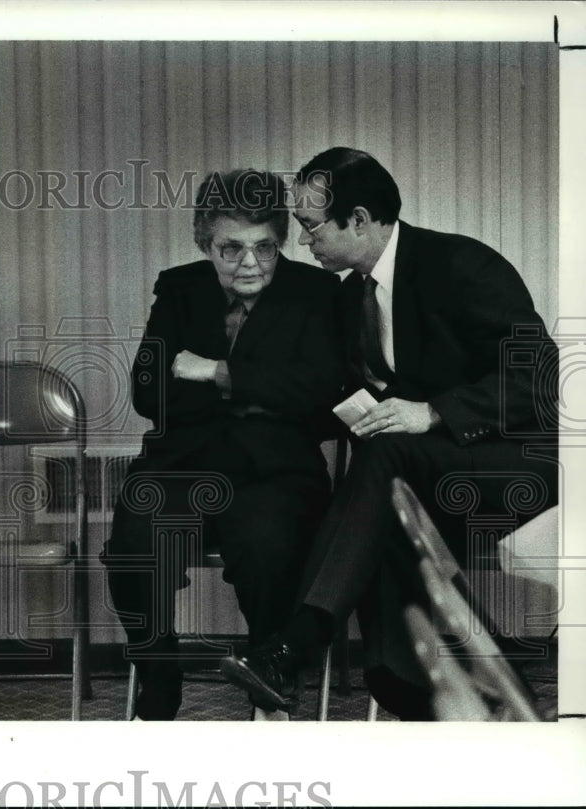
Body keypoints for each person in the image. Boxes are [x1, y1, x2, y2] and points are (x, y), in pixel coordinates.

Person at [220, 147, 558, 720]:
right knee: (387, 508)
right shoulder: (353, 295)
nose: (304, 242)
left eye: (310, 226)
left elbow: (541, 378)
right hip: (419, 471)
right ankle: (442, 691)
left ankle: (295, 646)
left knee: (392, 453)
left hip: (515, 463)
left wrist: (432, 412)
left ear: (358, 220)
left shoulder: (460, 264)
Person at [100, 169, 344, 720]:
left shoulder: (317, 292)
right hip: (179, 467)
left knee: (269, 548)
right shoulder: (180, 287)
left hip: (276, 472)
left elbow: (325, 395)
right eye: (231, 248)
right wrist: (268, 390)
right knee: (134, 550)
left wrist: (213, 372)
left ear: (281, 242)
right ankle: (159, 681)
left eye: (265, 248)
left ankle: (269, 685)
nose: (249, 263)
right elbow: (149, 391)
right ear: (205, 244)